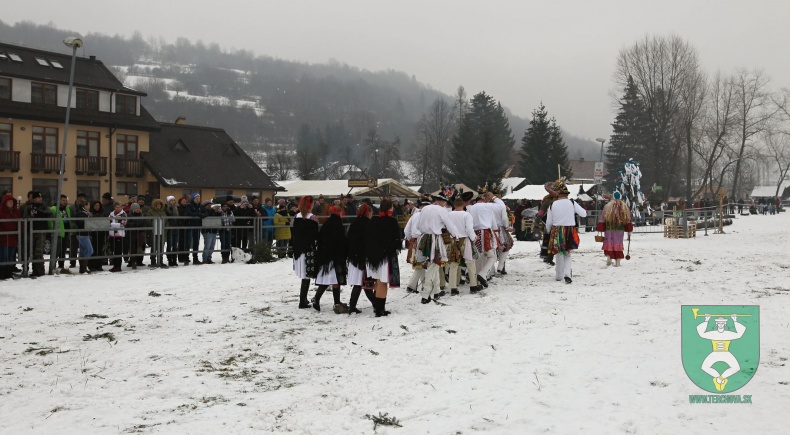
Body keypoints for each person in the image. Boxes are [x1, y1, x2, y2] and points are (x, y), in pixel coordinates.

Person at [413, 194, 461, 303]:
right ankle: (425, 295)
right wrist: (456, 235)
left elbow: (419, 225)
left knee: (433, 265)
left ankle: (437, 290)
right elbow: (450, 225)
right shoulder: (442, 210)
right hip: (435, 239)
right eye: (445, 202)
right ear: (442, 201)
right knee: (433, 265)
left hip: (424, 237)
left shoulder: (425, 208)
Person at [364, 198, 402, 316]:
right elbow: (396, 240)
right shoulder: (391, 222)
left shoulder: (374, 221)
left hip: (374, 256)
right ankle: (379, 309)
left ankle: (378, 307)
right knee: (382, 283)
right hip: (385, 257)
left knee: (379, 281)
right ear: (390, 208)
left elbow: (369, 238)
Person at [546, 178, 587, 283]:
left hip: (556, 230)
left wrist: (547, 230)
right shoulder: (572, 203)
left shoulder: (552, 205)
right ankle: (567, 274)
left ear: (558, 194)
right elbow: (584, 214)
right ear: (567, 194)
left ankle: (559, 275)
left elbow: (549, 222)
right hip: (569, 230)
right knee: (567, 254)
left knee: (558, 252)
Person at [312, 205, 348, 313]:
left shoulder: (327, 224)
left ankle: (318, 299)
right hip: (334, 257)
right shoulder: (338, 224)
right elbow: (340, 241)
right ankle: (334, 302)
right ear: (338, 213)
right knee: (334, 280)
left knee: (327, 280)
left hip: (325, 256)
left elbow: (320, 239)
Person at [346, 202, 377, 314]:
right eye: (371, 212)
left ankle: (353, 306)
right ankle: (375, 304)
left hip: (354, 257)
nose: (372, 214)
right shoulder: (368, 224)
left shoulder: (354, 223)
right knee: (364, 283)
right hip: (363, 257)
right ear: (368, 212)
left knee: (360, 283)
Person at [446, 193, 477, 295]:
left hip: (454, 240)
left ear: (454, 205)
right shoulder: (466, 215)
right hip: (465, 240)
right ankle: (473, 286)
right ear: (463, 205)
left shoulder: (449, 215)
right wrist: (474, 238)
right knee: (470, 263)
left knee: (454, 264)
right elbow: (469, 229)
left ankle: (453, 287)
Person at [292, 196, 320, 309]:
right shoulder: (312, 218)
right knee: (306, 275)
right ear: (311, 204)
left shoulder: (296, 217)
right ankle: (302, 300)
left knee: (304, 275)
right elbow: (314, 235)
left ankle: (303, 299)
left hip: (298, 249)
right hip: (308, 249)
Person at [596, 191, 634, 267]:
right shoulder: (624, 206)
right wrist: (629, 229)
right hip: (620, 229)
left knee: (609, 242)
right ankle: (618, 261)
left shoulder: (607, 206)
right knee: (618, 243)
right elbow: (628, 219)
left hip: (609, 228)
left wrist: (601, 227)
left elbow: (603, 217)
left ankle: (609, 258)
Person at [21, 191, 53, 277]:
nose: (40, 199)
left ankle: (39, 270)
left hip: (41, 231)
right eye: (38, 197)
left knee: (38, 251)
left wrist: (40, 212)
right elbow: (25, 217)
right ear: (34, 198)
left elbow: (50, 214)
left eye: (40, 197)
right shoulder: (28, 207)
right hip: (30, 231)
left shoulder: (44, 207)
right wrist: (31, 216)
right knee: (29, 251)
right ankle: (28, 269)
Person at [49, 194, 74, 271]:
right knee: (56, 251)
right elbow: (50, 221)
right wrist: (52, 230)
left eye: (66, 200)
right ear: (58, 200)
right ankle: (52, 266)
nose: (65, 202)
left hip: (66, 232)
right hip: (58, 232)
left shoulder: (67, 209)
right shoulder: (53, 209)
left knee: (63, 251)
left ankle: (61, 266)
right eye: (63, 200)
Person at [0, 192, 21, 280]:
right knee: (4, 256)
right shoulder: (1, 211)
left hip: (13, 238)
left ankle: (9, 272)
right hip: (3, 239)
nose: (11, 203)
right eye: (9, 201)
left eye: (12, 201)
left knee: (11, 256)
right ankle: (2, 273)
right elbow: (7, 225)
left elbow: (19, 223)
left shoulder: (15, 211)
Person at [185, 193, 207, 264]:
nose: (198, 200)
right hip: (190, 226)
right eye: (196, 198)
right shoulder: (189, 205)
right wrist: (198, 214)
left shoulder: (201, 206)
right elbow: (189, 213)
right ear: (193, 199)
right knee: (188, 243)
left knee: (196, 243)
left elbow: (205, 213)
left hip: (197, 226)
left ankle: (195, 258)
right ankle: (186, 258)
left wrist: (202, 214)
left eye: (199, 198)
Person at [73, 199, 93, 274]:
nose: (89, 207)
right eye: (88, 205)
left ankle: (82, 268)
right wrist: (88, 218)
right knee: (89, 250)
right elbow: (81, 222)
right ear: (85, 206)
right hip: (82, 234)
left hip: (83, 233)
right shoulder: (81, 213)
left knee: (83, 250)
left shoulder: (84, 213)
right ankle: (83, 267)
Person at [107, 202, 127, 272]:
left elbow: (123, 224)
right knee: (114, 250)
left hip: (119, 234)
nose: (118, 208)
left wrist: (113, 225)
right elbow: (108, 222)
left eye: (119, 207)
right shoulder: (111, 214)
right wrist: (114, 224)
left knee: (118, 251)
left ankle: (118, 266)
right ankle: (115, 265)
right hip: (112, 234)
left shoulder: (123, 214)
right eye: (116, 207)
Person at [88, 200, 106, 272]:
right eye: (95, 205)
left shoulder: (102, 213)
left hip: (100, 233)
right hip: (93, 234)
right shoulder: (91, 214)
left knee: (99, 249)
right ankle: (91, 265)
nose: (97, 207)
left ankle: (99, 265)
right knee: (93, 250)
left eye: (98, 205)